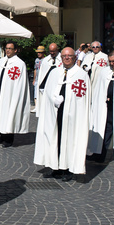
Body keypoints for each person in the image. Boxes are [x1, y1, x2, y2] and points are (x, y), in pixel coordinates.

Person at [34, 47, 91, 181]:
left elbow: (82, 98)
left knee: (70, 141)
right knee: (54, 138)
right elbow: (47, 91)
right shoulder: (55, 72)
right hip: (55, 113)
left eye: (69, 56)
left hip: (72, 115)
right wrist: (53, 99)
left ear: (74, 57)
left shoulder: (81, 74)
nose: (66, 58)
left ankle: (68, 169)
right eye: (64, 56)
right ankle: (55, 167)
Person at [0, 41, 31, 146]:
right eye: (6, 48)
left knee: (9, 114)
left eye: (10, 48)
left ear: (15, 50)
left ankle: (9, 139)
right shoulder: (1, 61)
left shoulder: (20, 64)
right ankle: (1, 135)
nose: (8, 50)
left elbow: (21, 83)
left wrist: (16, 95)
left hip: (10, 93)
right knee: (0, 113)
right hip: (0, 92)